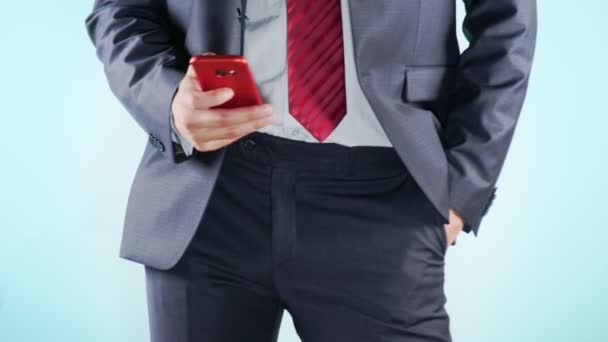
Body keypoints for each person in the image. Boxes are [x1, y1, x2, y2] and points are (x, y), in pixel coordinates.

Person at [85, 0, 537, 341]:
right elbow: (120, 10)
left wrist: (459, 190)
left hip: (384, 197)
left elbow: (507, 22)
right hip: (208, 199)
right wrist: (166, 100)